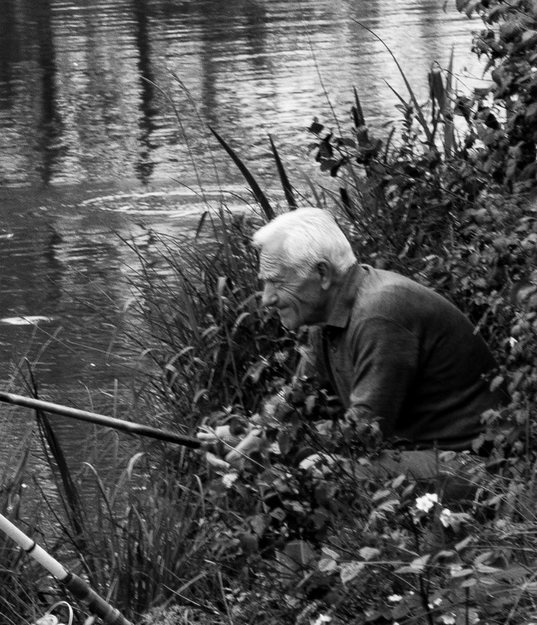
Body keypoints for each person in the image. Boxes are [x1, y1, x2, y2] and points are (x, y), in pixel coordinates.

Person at [208, 207, 499, 487]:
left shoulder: (380, 314)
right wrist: (245, 431)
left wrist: (273, 444)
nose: (266, 299)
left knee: (319, 469)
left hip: (472, 467)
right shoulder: (327, 317)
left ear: (322, 274)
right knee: (288, 453)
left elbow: (363, 435)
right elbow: (297, 396)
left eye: (277, 282)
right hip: (421, 455)